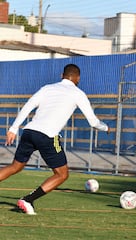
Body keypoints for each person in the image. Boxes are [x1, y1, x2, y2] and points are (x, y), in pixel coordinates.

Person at [2, 64, 109, 215]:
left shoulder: (47, 88)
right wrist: (106, 128)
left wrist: (13, 128)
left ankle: (28, 200)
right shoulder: (78, 93)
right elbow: (93, 122)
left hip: (29, 131)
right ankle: (28, 199)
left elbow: (28, 105)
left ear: (62, 75)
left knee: (15, 167)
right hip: (47, 136)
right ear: (78, 78)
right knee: (62, 174)